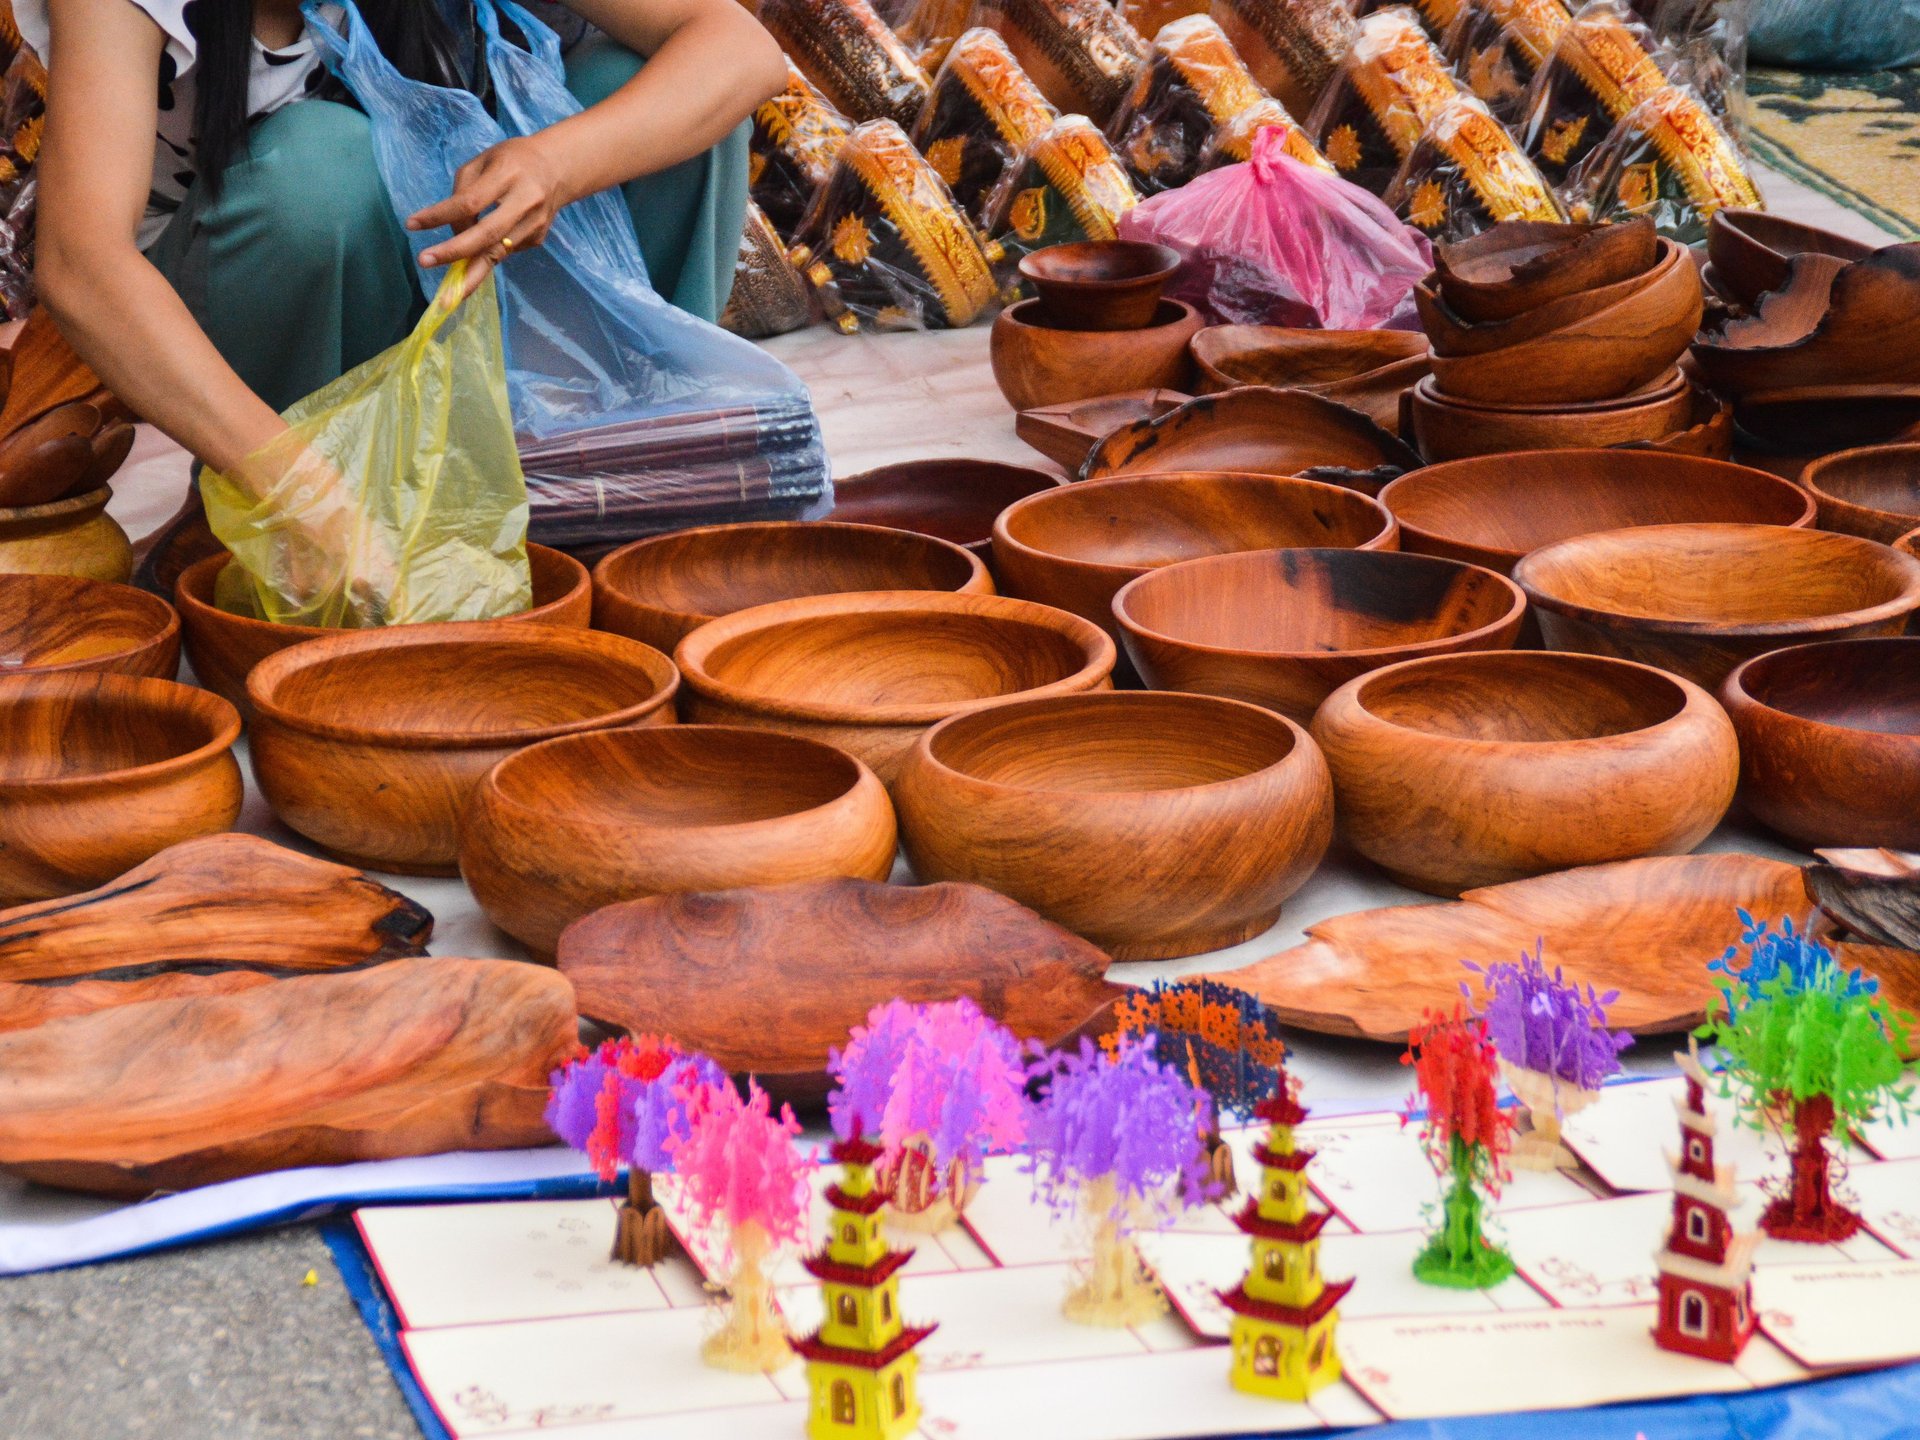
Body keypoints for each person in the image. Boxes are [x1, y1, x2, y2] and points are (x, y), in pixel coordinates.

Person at [27, 0, 786, 488]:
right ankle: (320, 499)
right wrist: (298, 493)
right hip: (233, 318)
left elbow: (737, 49)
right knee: (322, 168)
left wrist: (557, 163)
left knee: (653, 85)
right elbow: (80, 260)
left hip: (454, 265)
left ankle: (619, 475)